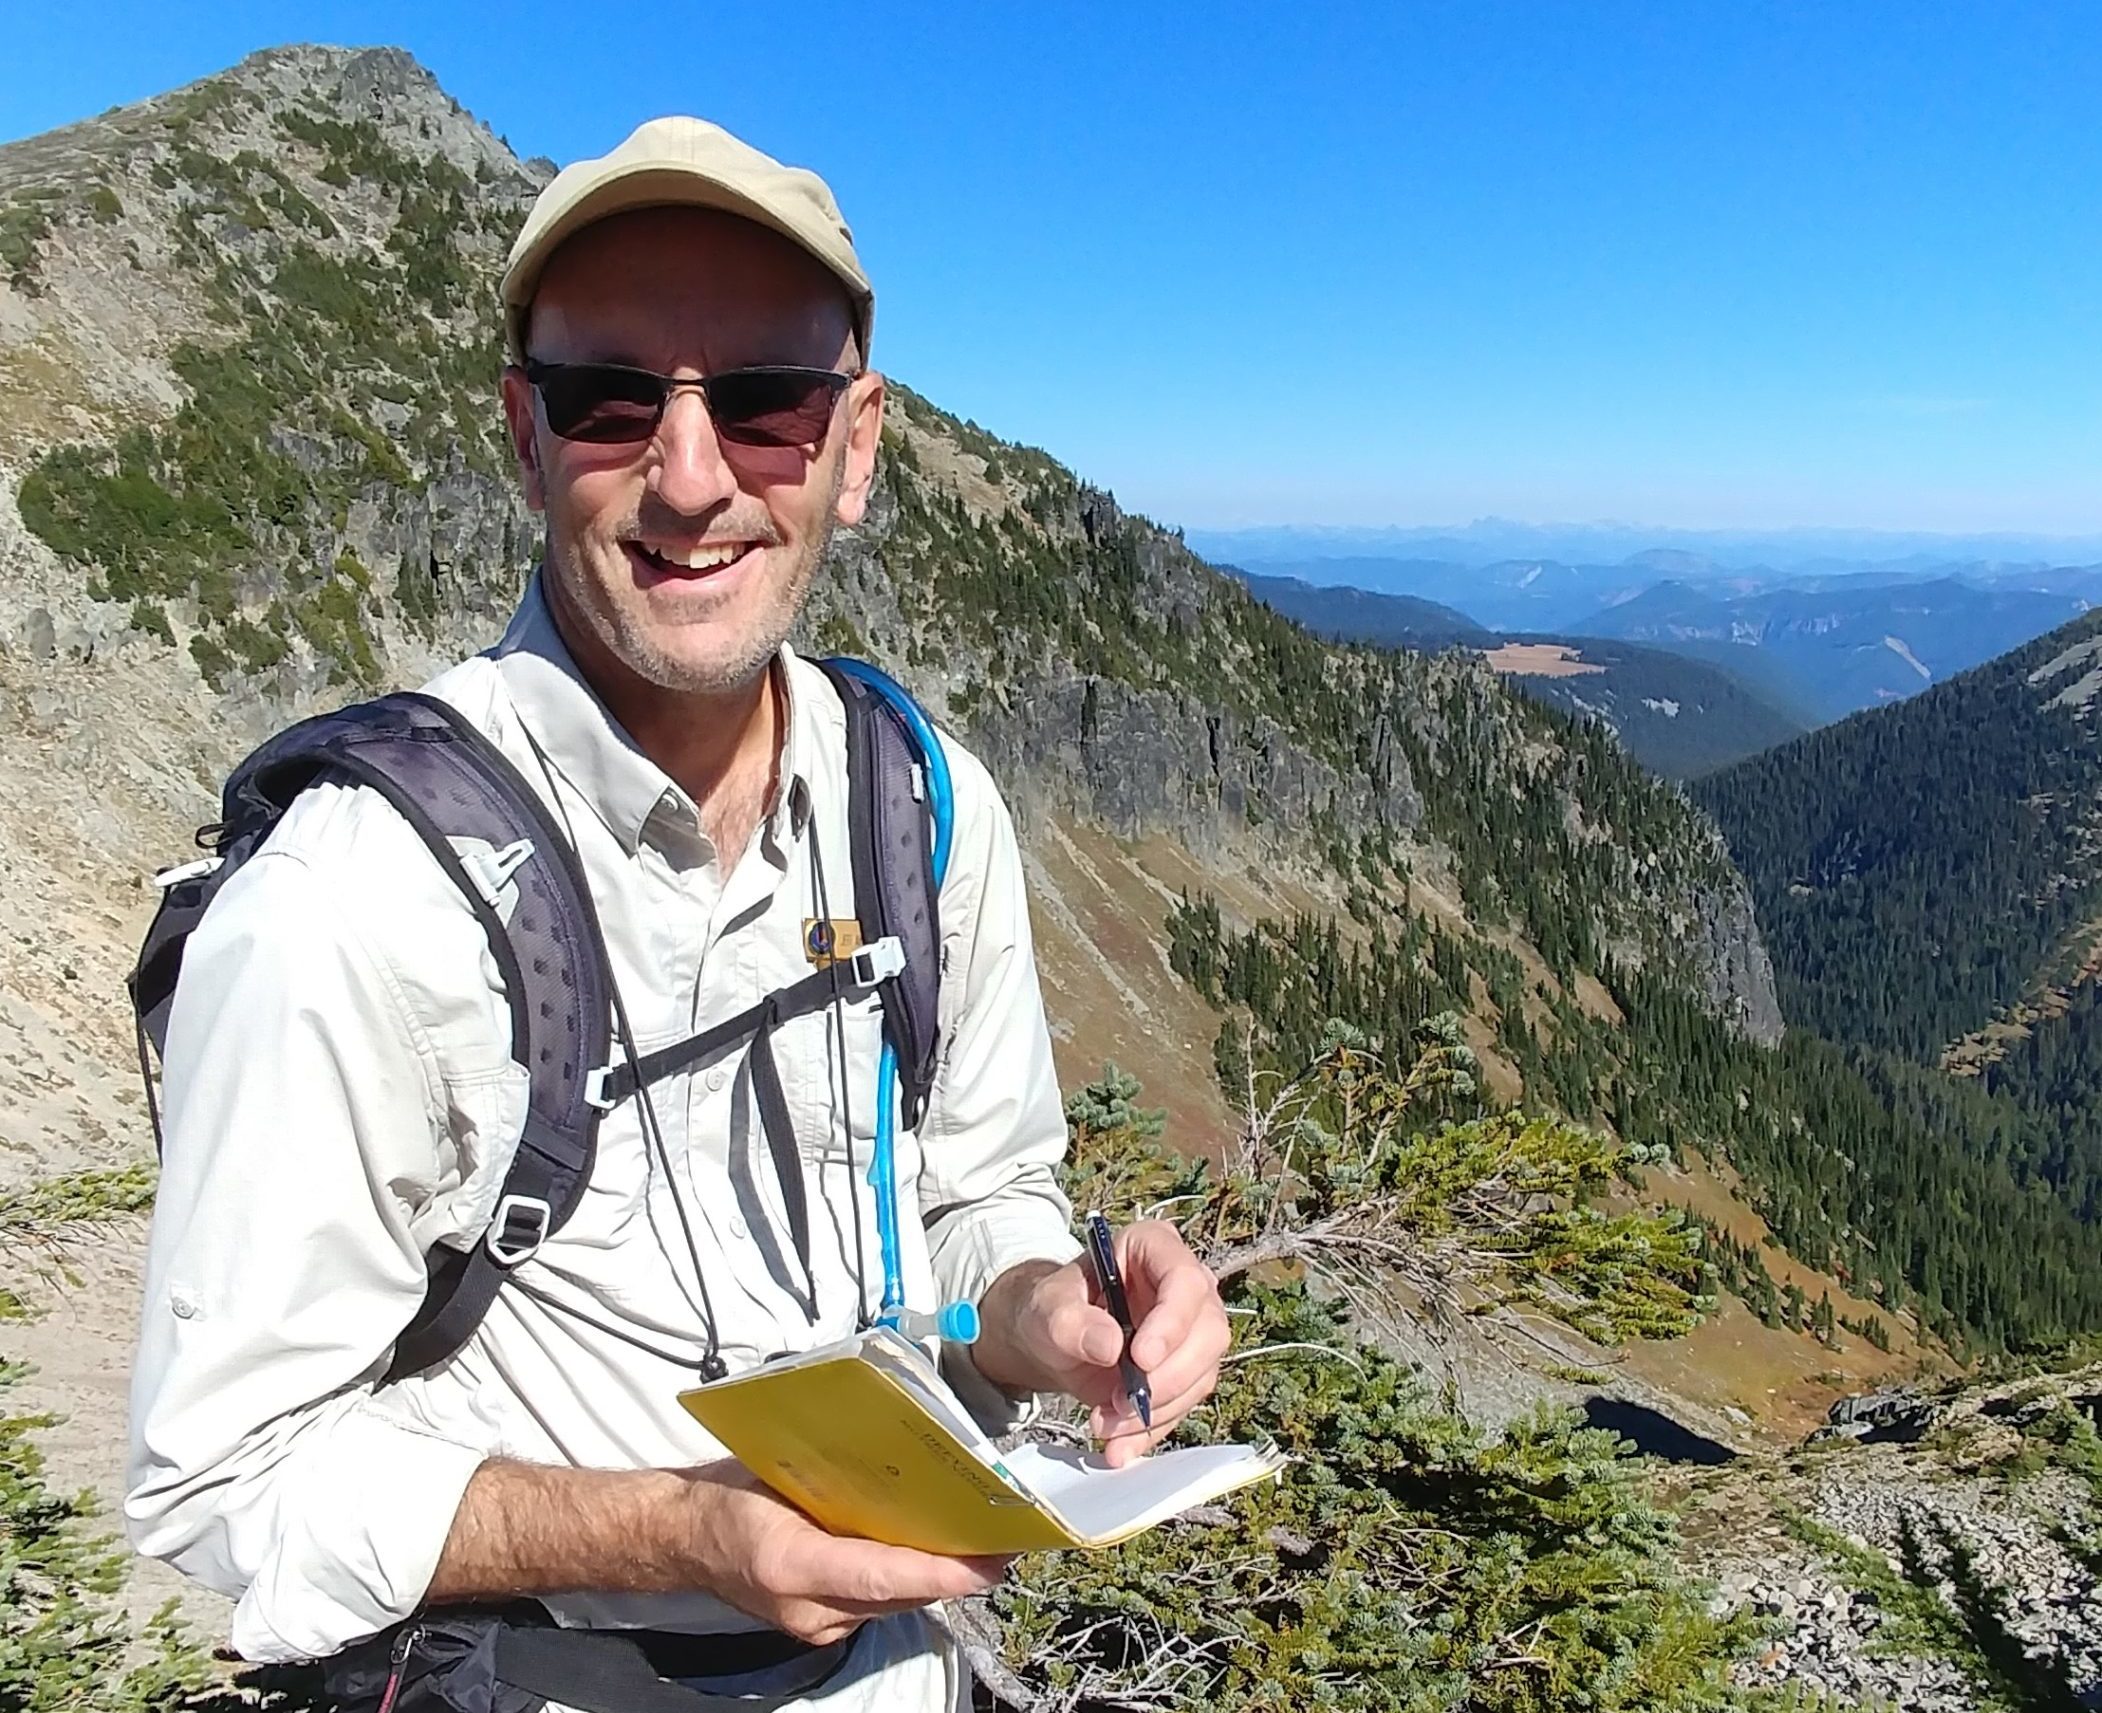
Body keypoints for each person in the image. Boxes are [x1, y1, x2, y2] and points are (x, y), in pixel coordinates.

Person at [124, 116, 1230, 1712]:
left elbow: (980, 1187)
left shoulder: (920, 803)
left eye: (767, 400)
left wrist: (1045, 1310)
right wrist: (677, 1531)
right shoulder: (348, 902)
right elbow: (222, 1477)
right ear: (523, 433)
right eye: (611, 398)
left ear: (855, 447)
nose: (691, 474)